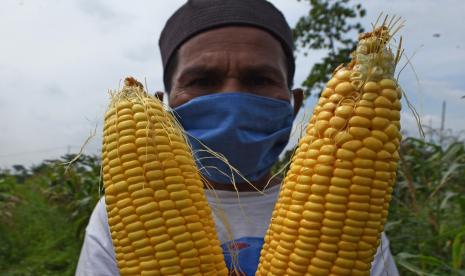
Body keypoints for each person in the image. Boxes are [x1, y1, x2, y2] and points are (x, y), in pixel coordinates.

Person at [76, 0, 399, 275]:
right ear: (163, 109)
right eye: (203, 80)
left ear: (295, 103)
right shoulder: (112, 219)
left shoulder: (358, 223)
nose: (232, 100)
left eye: (259, 79)